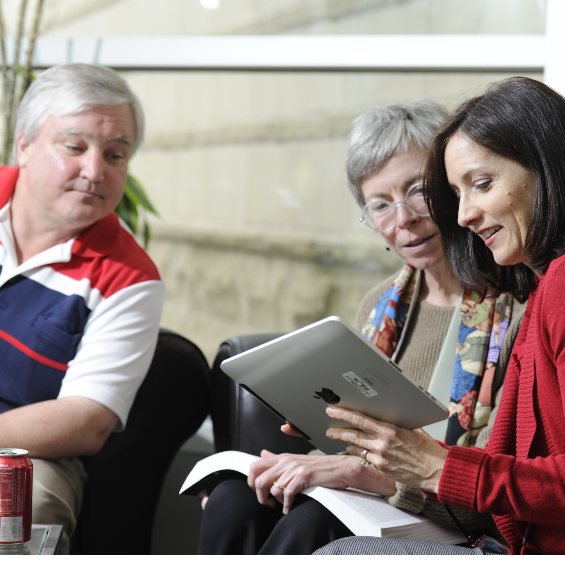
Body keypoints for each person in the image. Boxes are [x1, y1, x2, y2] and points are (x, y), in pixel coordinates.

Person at [198, 101, 526, 555]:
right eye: (380, 204)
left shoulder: (519, 309)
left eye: (418, 192)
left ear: (452, 190)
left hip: (457, 517)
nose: (402, 218)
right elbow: (348, 446)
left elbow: (500, 486)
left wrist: (366, 476)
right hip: (378, 500)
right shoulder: (380, 306)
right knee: (236, 499)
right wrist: (301, 463)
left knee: (313, 520)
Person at [316, 76, 565, 556]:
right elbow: (503, 466)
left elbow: (494, 483)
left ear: (547, 167)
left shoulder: (541, 296)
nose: (465, 214)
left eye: (483, 184)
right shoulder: (541, 290)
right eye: (456, 193)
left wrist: (430, 467)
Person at [0, 63, 165, 554]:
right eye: (74, 148)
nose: (95, 172)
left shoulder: (131, 278)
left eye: (116, 154)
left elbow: (86, 420)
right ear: (24, 147)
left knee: (25, 508)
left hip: (25, 452)